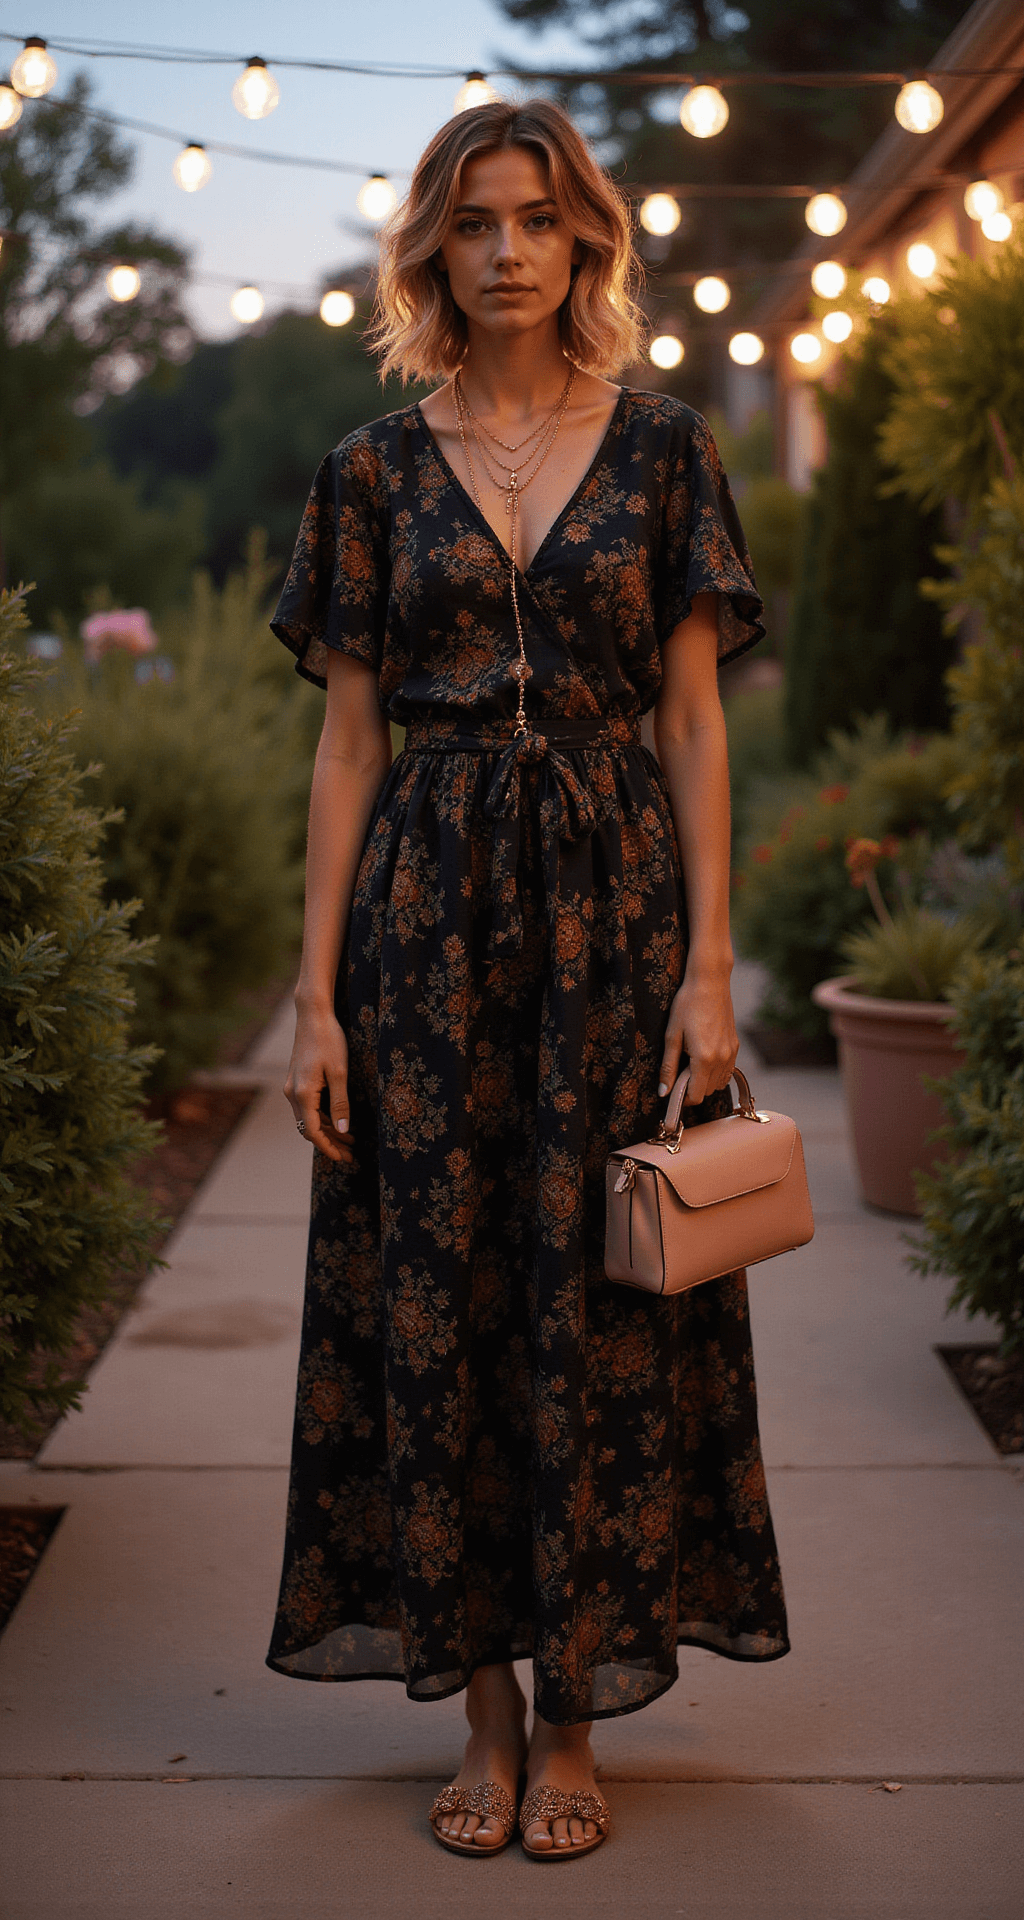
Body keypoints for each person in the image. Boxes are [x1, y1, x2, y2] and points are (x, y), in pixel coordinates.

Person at [267, 97, 789, 1863]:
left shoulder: (662, 453)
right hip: (421, 925)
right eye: (475, 222)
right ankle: (481, 1710)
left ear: (585, 246)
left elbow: (698, 724)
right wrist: (315, 990)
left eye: (537, 221)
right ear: (434, 248)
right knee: (441, 1299)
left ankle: (577, 1709)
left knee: (600, 1304)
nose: (506, 250)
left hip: (612, 918)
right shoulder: (365, 470)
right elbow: (345, 748)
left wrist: (712, 967)